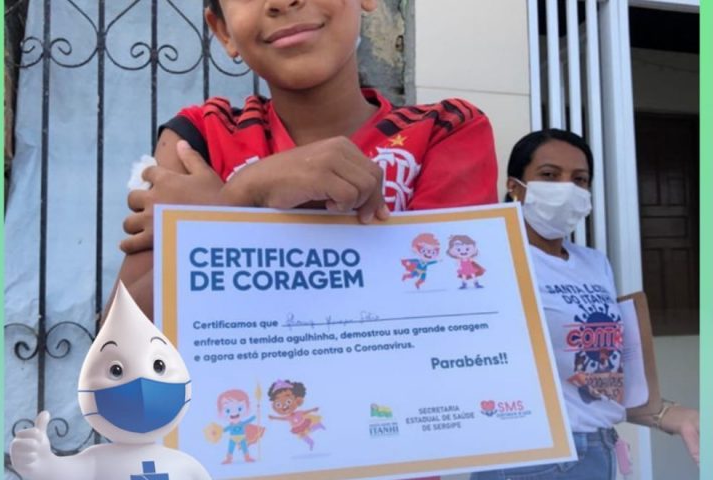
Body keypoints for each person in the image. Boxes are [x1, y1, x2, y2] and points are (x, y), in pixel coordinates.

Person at [114, 0, 498, 319]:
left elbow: (456, 315)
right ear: (223, 30)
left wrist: (221, 217)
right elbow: (120, 352)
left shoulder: (444, 129)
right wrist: (244, 194)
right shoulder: (200, 137)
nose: (282, 2)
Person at [470, 129, 699, 480]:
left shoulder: (594, 263)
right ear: (515, 186)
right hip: (532, 459)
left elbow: (602, 372)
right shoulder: (491, 257)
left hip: (599, 448)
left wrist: (669, 414)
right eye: (549, 175)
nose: (567, 188)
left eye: (579, 179)